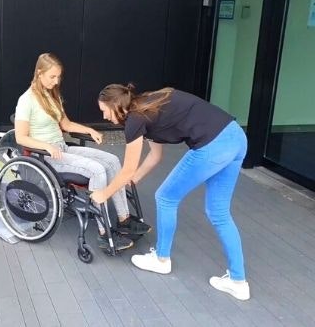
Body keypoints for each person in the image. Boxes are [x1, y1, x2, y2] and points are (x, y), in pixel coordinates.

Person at [92, 83, 250, 301]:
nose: (104, 116)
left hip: (212, 145)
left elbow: (126, 167)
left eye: (104, 111)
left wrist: (104, 193)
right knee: (219, 213)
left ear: (115, 106)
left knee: (165, 197)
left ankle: (161, 259)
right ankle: (238, 281)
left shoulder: (135, 120)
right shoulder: (147, 106)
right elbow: (154, 156)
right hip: (236, 137)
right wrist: (135, 178)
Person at [14, 53, 151, 252]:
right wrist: (46, 146)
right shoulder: (26, 100)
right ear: (39, 73)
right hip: (46, 157)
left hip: (62, 148)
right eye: (52, 77)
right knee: (97, 170)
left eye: (59, 77)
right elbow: (21, 137)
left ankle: (124, 219)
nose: (56, 81)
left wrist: (89, 130)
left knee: (112, 160)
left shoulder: (52, 96)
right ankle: (104, 233)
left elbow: (66, 124)